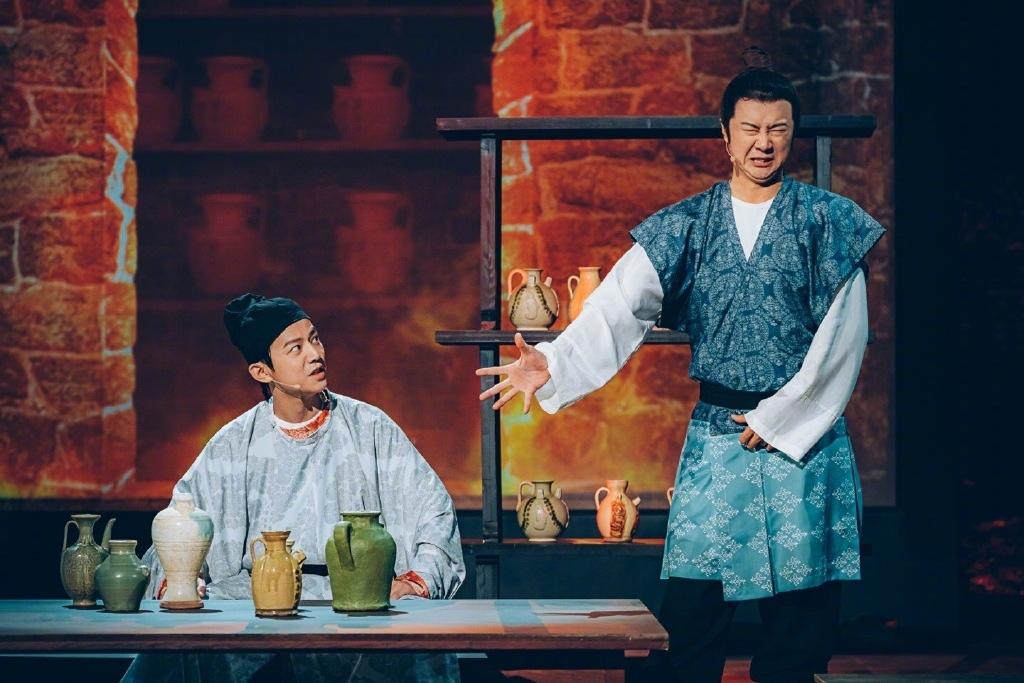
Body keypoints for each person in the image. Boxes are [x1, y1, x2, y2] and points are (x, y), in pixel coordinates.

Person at [477, 48, 885, 683]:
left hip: (803, 442)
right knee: (693, 615)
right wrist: (553, 362)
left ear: (792, 135)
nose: (763, 143)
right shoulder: (688, 224)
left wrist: (782, 418)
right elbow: (618, 305)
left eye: (777, 129)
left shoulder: (826, 222)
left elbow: (844, 337)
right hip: (720, 434)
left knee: (801, 620)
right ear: (725, 134)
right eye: (750, 128)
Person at [122, 293, 465, 683]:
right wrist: (183, 580)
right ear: (261, 371)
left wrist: (416, 580)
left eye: (315, 339)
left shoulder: (369, 428)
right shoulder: (233, 444)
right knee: (181, 647)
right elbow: (181, 520)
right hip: (254, 598)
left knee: (408, 643)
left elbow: (433, 510)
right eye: (295, 348)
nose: (315, 354)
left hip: (359, 598)